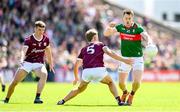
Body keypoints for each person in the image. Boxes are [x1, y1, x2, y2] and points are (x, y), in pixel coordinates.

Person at [57, 29, 133, 106]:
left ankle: (62, 101)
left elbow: (76, 65)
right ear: (94, 37)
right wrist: (124, 60)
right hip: (98, 70)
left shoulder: (84, 49)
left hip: (86, 72)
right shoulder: (100, 44)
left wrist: (76, 78)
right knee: (110, 82)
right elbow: (110, 53)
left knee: (80, 89)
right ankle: (119, 101)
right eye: (97, 36)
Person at [104, 9, 153, 105]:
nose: (128, 20)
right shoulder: (120, 27)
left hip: (137, 58)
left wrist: (149, 43)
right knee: (121, 84)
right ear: (123, 18)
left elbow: (146, 36)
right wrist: (109, 26)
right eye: (126, 18)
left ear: (132, 18)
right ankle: (125, 92)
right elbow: (106, 34)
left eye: (129, 18)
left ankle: (132, 95)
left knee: (137, 83)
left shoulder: (138, 28)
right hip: (125, 59)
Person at [4, 21, 54, 104]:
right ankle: (6, 99)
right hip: (27, 62)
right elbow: (23, 51)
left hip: (39, 63)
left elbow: (48, 51)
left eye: (42, 30)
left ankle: (37, 98)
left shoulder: (46, 39)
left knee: (44, 74)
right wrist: (21, 59)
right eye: (39, 30)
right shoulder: (29, 39)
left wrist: (51, 63)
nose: (41, 32)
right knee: (14, 83)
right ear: (35, 29)